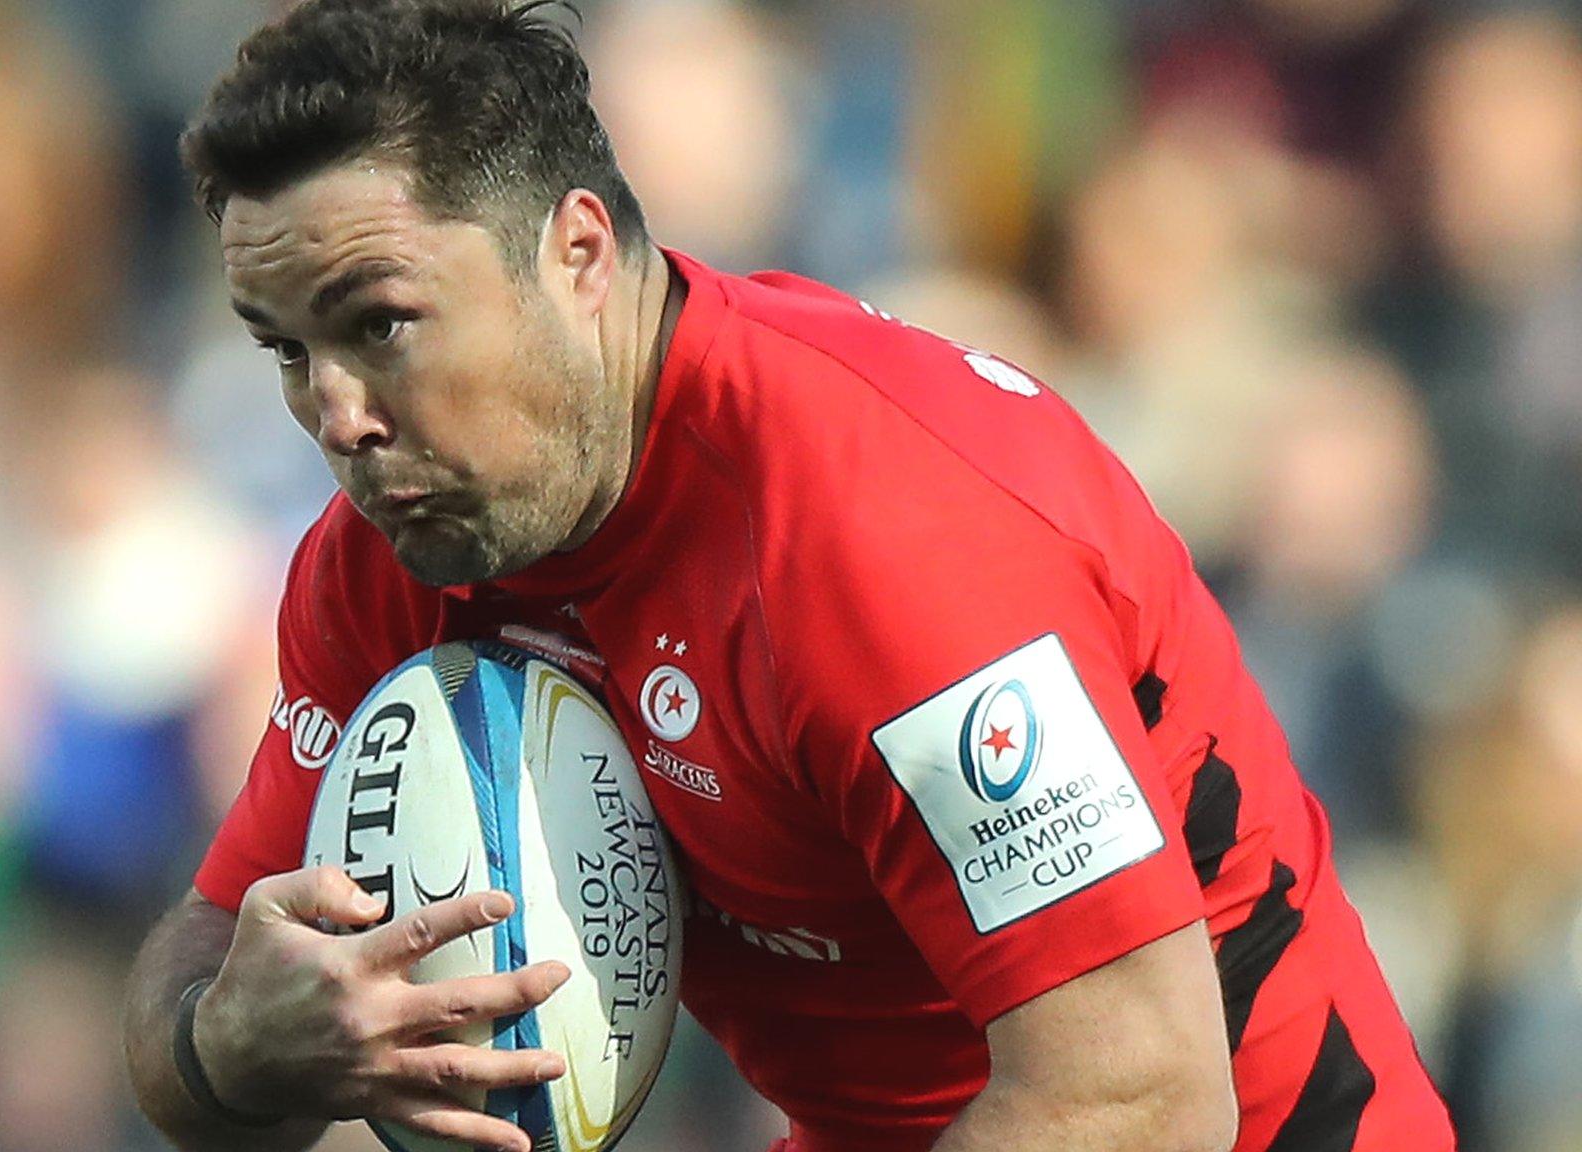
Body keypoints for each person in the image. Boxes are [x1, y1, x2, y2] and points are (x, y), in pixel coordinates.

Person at [123, 2, 1457, 1150]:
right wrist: (230, 1045)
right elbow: (204, 960)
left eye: (382, 324)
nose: (337, 413)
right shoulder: (397, 556)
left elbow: (1138, 1100)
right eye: (287, 351)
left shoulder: (874, 533)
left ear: (578, 254)